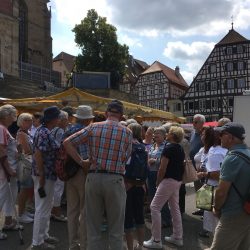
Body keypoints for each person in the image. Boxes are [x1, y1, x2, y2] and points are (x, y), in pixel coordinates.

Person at [64, 100, 133, 250]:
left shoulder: (93, 127)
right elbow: (126, 158)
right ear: (121, 116)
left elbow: (67, 143)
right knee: (116, 229)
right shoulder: (127, 132)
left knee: (93, 228)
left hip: (93, 177)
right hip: (115, 178)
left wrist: (82, 162)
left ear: (107, 113)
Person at [206, 122, 250, 250]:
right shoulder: (247, 153)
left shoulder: (232, 158)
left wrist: (216, 208)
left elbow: (221, 192)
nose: (219, 137)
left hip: (233, 214)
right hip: (247, 210)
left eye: (222, 134)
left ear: (231, 138)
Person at [143, 126, 185, 249]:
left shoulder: (168, 148)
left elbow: (162, 168)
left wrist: (157, 182)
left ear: (173, 135)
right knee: (174, 208)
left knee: (154, 207)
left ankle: (156, 240)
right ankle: (178, 237)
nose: (167, 134)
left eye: (170, 132)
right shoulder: (179, 148)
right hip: (177, 181)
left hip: (168, 180)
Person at [31, 106, 61, 250]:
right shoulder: (44, 132)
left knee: (45, 206)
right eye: (58, 117)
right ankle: (37, 241)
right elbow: (38, 153)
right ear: (53, 119)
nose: (59, 119)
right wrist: (42, 174)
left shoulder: (44, 131)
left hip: (47, 174)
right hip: (44, 174)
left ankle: (43, 235)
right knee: (42, 207)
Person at [65, 105, 94, 250]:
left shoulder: (68, 129)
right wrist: (83, 164)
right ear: (88, 119)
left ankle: (72, 244)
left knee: (72, 210)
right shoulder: (85, 131)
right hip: (82, 173)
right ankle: (84, 245)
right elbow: (85, 155)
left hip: (68, 173)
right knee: (84, 210)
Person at [196, 128, 227, 238]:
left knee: (215, 222)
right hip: (216, 187)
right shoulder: (218, 150)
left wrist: (204, 174)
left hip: (215, 188)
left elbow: (217, 175)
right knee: (216, 221)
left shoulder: (216, 152)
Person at [124, 123, 147, 250]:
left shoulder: (127, 146)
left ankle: (130, 247)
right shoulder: (143, 147)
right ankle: (141, 245)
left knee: (128, 218)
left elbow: (124, 166)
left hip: (127, 185)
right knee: (139, 216)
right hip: (140, 185)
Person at [0, 105, 18, 239]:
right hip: (4, 172)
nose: (14, 119)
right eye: (13, 116)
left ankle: (8, 222)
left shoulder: (3, 129)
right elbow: (1, 151)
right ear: (6, 116)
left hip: (5, 171)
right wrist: (8, 169)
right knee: (1, 199)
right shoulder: (1, 129)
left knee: (5, 197)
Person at [50, 110, 69, 222]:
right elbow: (60, 148)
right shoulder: (60, 131)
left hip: (52, 161)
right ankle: (56, 211)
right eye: (66, 120)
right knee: (58, 187)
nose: (68, 122)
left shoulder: (53, 129)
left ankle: (53, 210)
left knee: (55, 188)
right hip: (58, 162)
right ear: (62, 120)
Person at [16, 113, 34, 224]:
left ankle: (24, 211)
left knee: (27, 189)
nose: (30, 122)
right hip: (26, 164)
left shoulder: (26, 133)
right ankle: (21, 214)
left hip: (28, 163)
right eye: (28, 120)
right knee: (24, 189)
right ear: (22, 121)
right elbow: (27, 150)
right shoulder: (22, 134)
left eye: (31, 120)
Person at [189, 114, 205, 216]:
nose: (193, 124)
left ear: (202, 123)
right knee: (198, 188)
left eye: (195, 122)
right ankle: (201, 208)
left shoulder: (205, 133)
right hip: (194, 166)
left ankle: (205, 210)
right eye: (193, 121)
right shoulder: (193, 132)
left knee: (204, 189)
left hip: (202, 167)